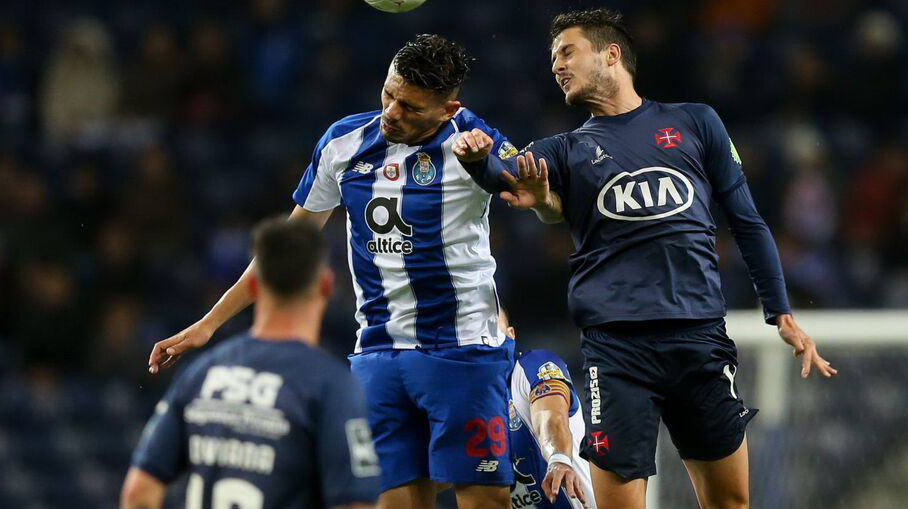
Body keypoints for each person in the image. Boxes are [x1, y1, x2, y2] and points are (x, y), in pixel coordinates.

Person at [452, 8, 837, 509]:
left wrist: (780, 311)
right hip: (616, 350)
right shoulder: (566, 150)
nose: (557, 66)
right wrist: (479, 159)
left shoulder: (696, 121)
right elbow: (508, 173)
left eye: (567, 52)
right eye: (552, 59)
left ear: (611, 55)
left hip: (699, 338)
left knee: (731, 501)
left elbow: (747, 220)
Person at [147, 34, 520, 509]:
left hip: (463, 348)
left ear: (447, 109)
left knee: (485, 501)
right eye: (389, 95)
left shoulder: (475, 141)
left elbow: (540, 197)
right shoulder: (344, 144)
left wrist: (496, 166)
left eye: (409, 107)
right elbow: (288, 248)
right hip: (378, 354)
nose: (391, 112)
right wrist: (208, 324)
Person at [121, 217, 379, 509]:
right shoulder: (333, 387)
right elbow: (356, 504)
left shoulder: (203, 373)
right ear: (326, 285)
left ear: (254, 285)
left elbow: (138, 493)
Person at [498, 308, 593, 509]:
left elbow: (550, 414)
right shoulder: (465, 403)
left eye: (490, 321)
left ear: (510, 333)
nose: (483, 333)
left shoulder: (532, 366)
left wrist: (558, 457)